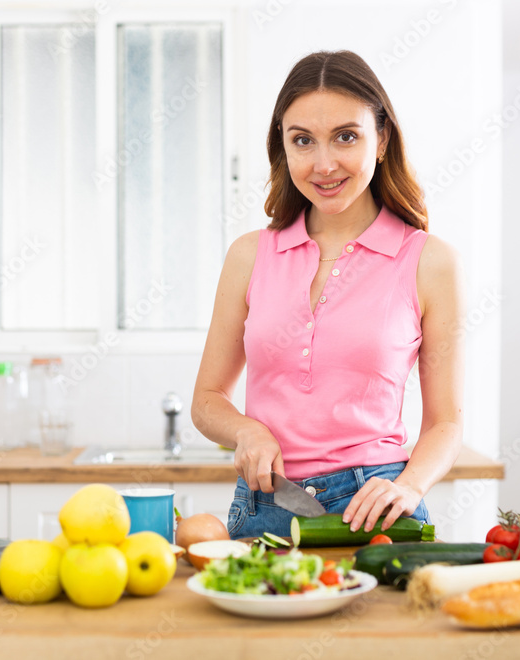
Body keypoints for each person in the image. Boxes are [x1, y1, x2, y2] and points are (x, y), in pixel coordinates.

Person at [191, 50, 465, 540]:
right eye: (302, 140)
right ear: (283, 147)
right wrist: (247, 431)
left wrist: (410, 487)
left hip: (375, 506)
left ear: (381, 140)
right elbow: (207, 400)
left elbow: (446, 422)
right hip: (265, 506)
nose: (324, 163)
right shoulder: (249, 256)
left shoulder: (428, 261)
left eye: (346, 136)